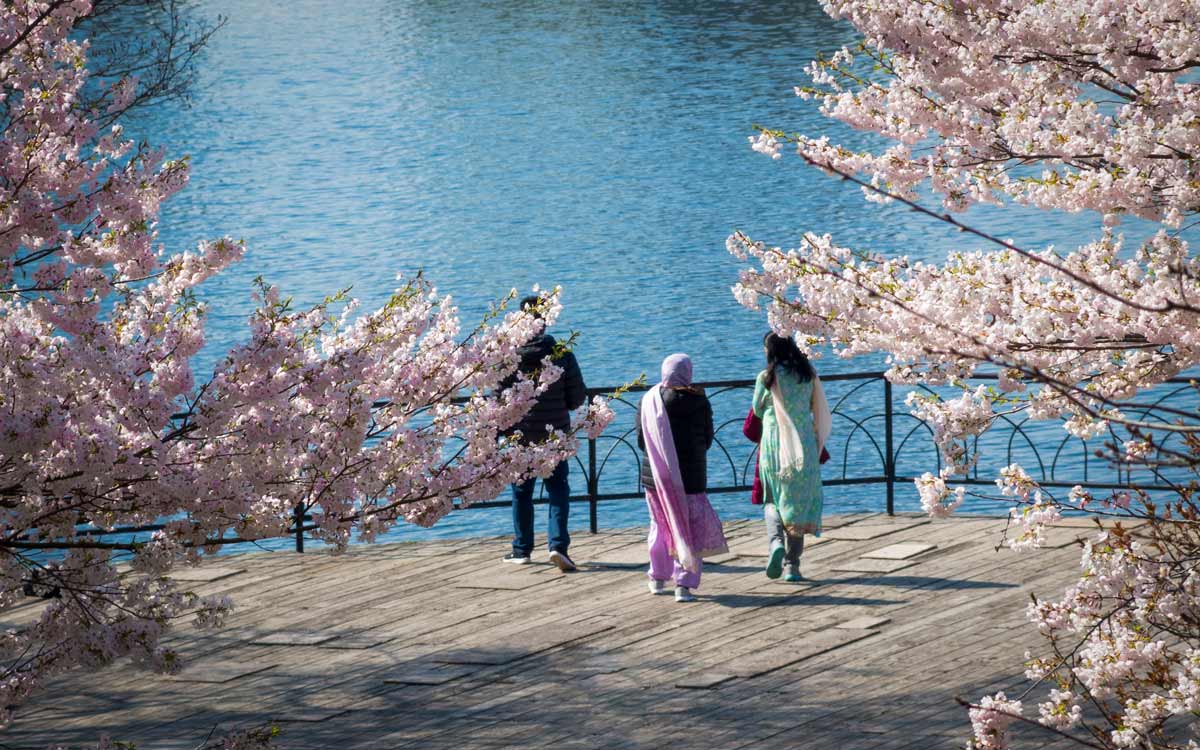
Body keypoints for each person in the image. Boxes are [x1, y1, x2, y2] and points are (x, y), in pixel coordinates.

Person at [503, 295, 587, 572]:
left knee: (521, 492)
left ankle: (522, 548)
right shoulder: (562, 353)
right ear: (545, 321)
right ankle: (558, 546)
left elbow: (498, 400)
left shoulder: (509, 356)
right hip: (555, 434)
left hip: (521, 435)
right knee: (558, 490)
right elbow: (577, 398)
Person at [636, 353, 728, 602]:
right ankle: (684, 584)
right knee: (689, 528)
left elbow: (641, 441)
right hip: (691, 477)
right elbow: (707, 439)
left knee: (660, 525)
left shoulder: (649, 400)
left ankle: (657, 578)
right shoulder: (699, 402)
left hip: (656, 477)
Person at [752, 333, 831, 582]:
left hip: (774, 444)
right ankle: (792, 566)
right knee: (797, 502)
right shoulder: (807, 374)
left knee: (773, 497)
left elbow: (757, 408)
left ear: (772, 351)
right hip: (803, 443)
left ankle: (775, 542)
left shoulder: (767, 378)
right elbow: (814, 404)